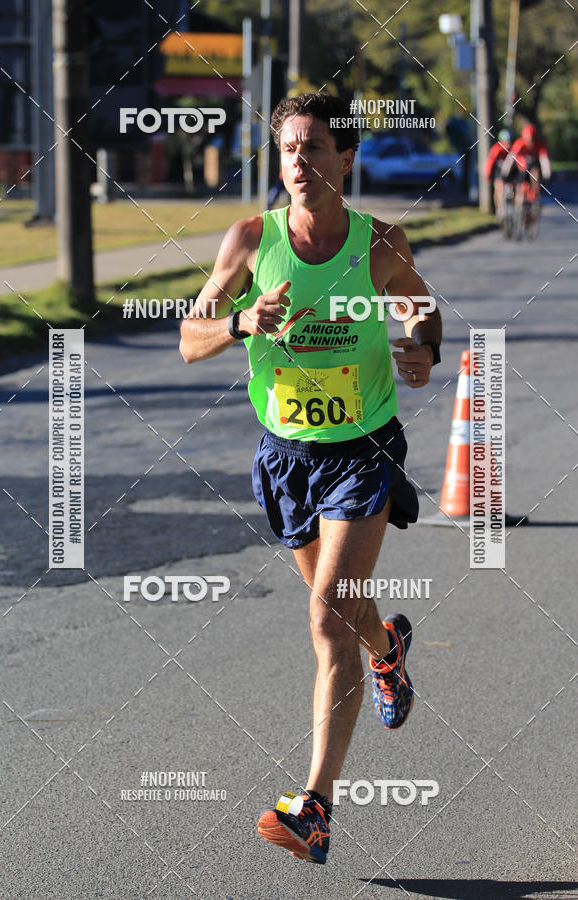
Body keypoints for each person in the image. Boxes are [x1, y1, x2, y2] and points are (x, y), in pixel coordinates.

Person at [179, 92, 442, 865]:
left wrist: (422, 348)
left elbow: (421, 314)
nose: (299, 161)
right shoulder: (251, 239)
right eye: (289, 148)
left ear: (345, 160)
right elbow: (190, 342)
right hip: (286, 457)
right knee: (349, 614)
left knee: (328, 619)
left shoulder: (381, 243)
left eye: (316, 147)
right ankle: (388, 650)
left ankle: (314, 807)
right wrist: (237, 323)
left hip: (362, 448)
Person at [501, 122, 551, 201]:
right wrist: (505, 172)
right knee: (519, 185)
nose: (530, 142)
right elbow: (510, 159)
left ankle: (535, 198)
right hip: (522, 168)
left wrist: (547, 175)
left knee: (535, 174)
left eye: (532, 139)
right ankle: (518, 202)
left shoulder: (540, 145)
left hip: (534, 168)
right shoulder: (519, 143)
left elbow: (544, 160)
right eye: (528, 139)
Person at [485, 128, 513, 219]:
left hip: (510, 171)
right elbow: (489, 163)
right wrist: (488, 175)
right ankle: (499, 209)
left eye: (509, 141)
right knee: (499, 186)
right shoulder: (496, 149)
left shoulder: (513, 149)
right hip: (498, 171)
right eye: (506, 142)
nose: (508, 144)